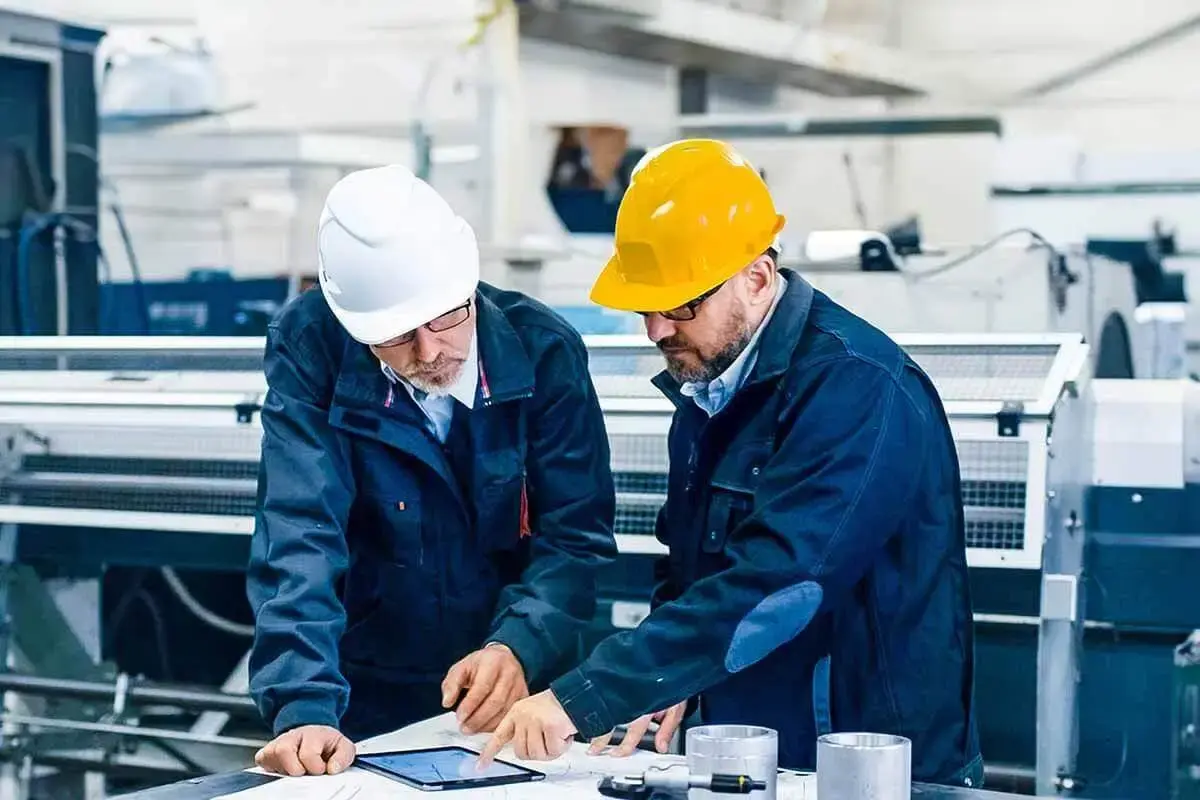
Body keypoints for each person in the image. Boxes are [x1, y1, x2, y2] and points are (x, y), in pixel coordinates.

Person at [478, 139, 983, 788]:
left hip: (866, 764)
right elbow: (691, 571)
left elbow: (779, 584)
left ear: (757, 276)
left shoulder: (858, 388)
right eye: (646, 307)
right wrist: (668, 680)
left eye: (681, 304)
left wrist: (589, 693)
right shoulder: (709, 385)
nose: (657, 329)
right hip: (757, 754)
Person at [247, 164, 618, 777]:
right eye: (395, 334)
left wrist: (519, 643)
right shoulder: (314, 343)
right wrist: (303, 703)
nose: (429, 351)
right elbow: (299, 530)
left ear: (467, 283)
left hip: (513, 696)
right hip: (364, 685)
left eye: (446, 317)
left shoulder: (544, 351)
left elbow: (574, 541)